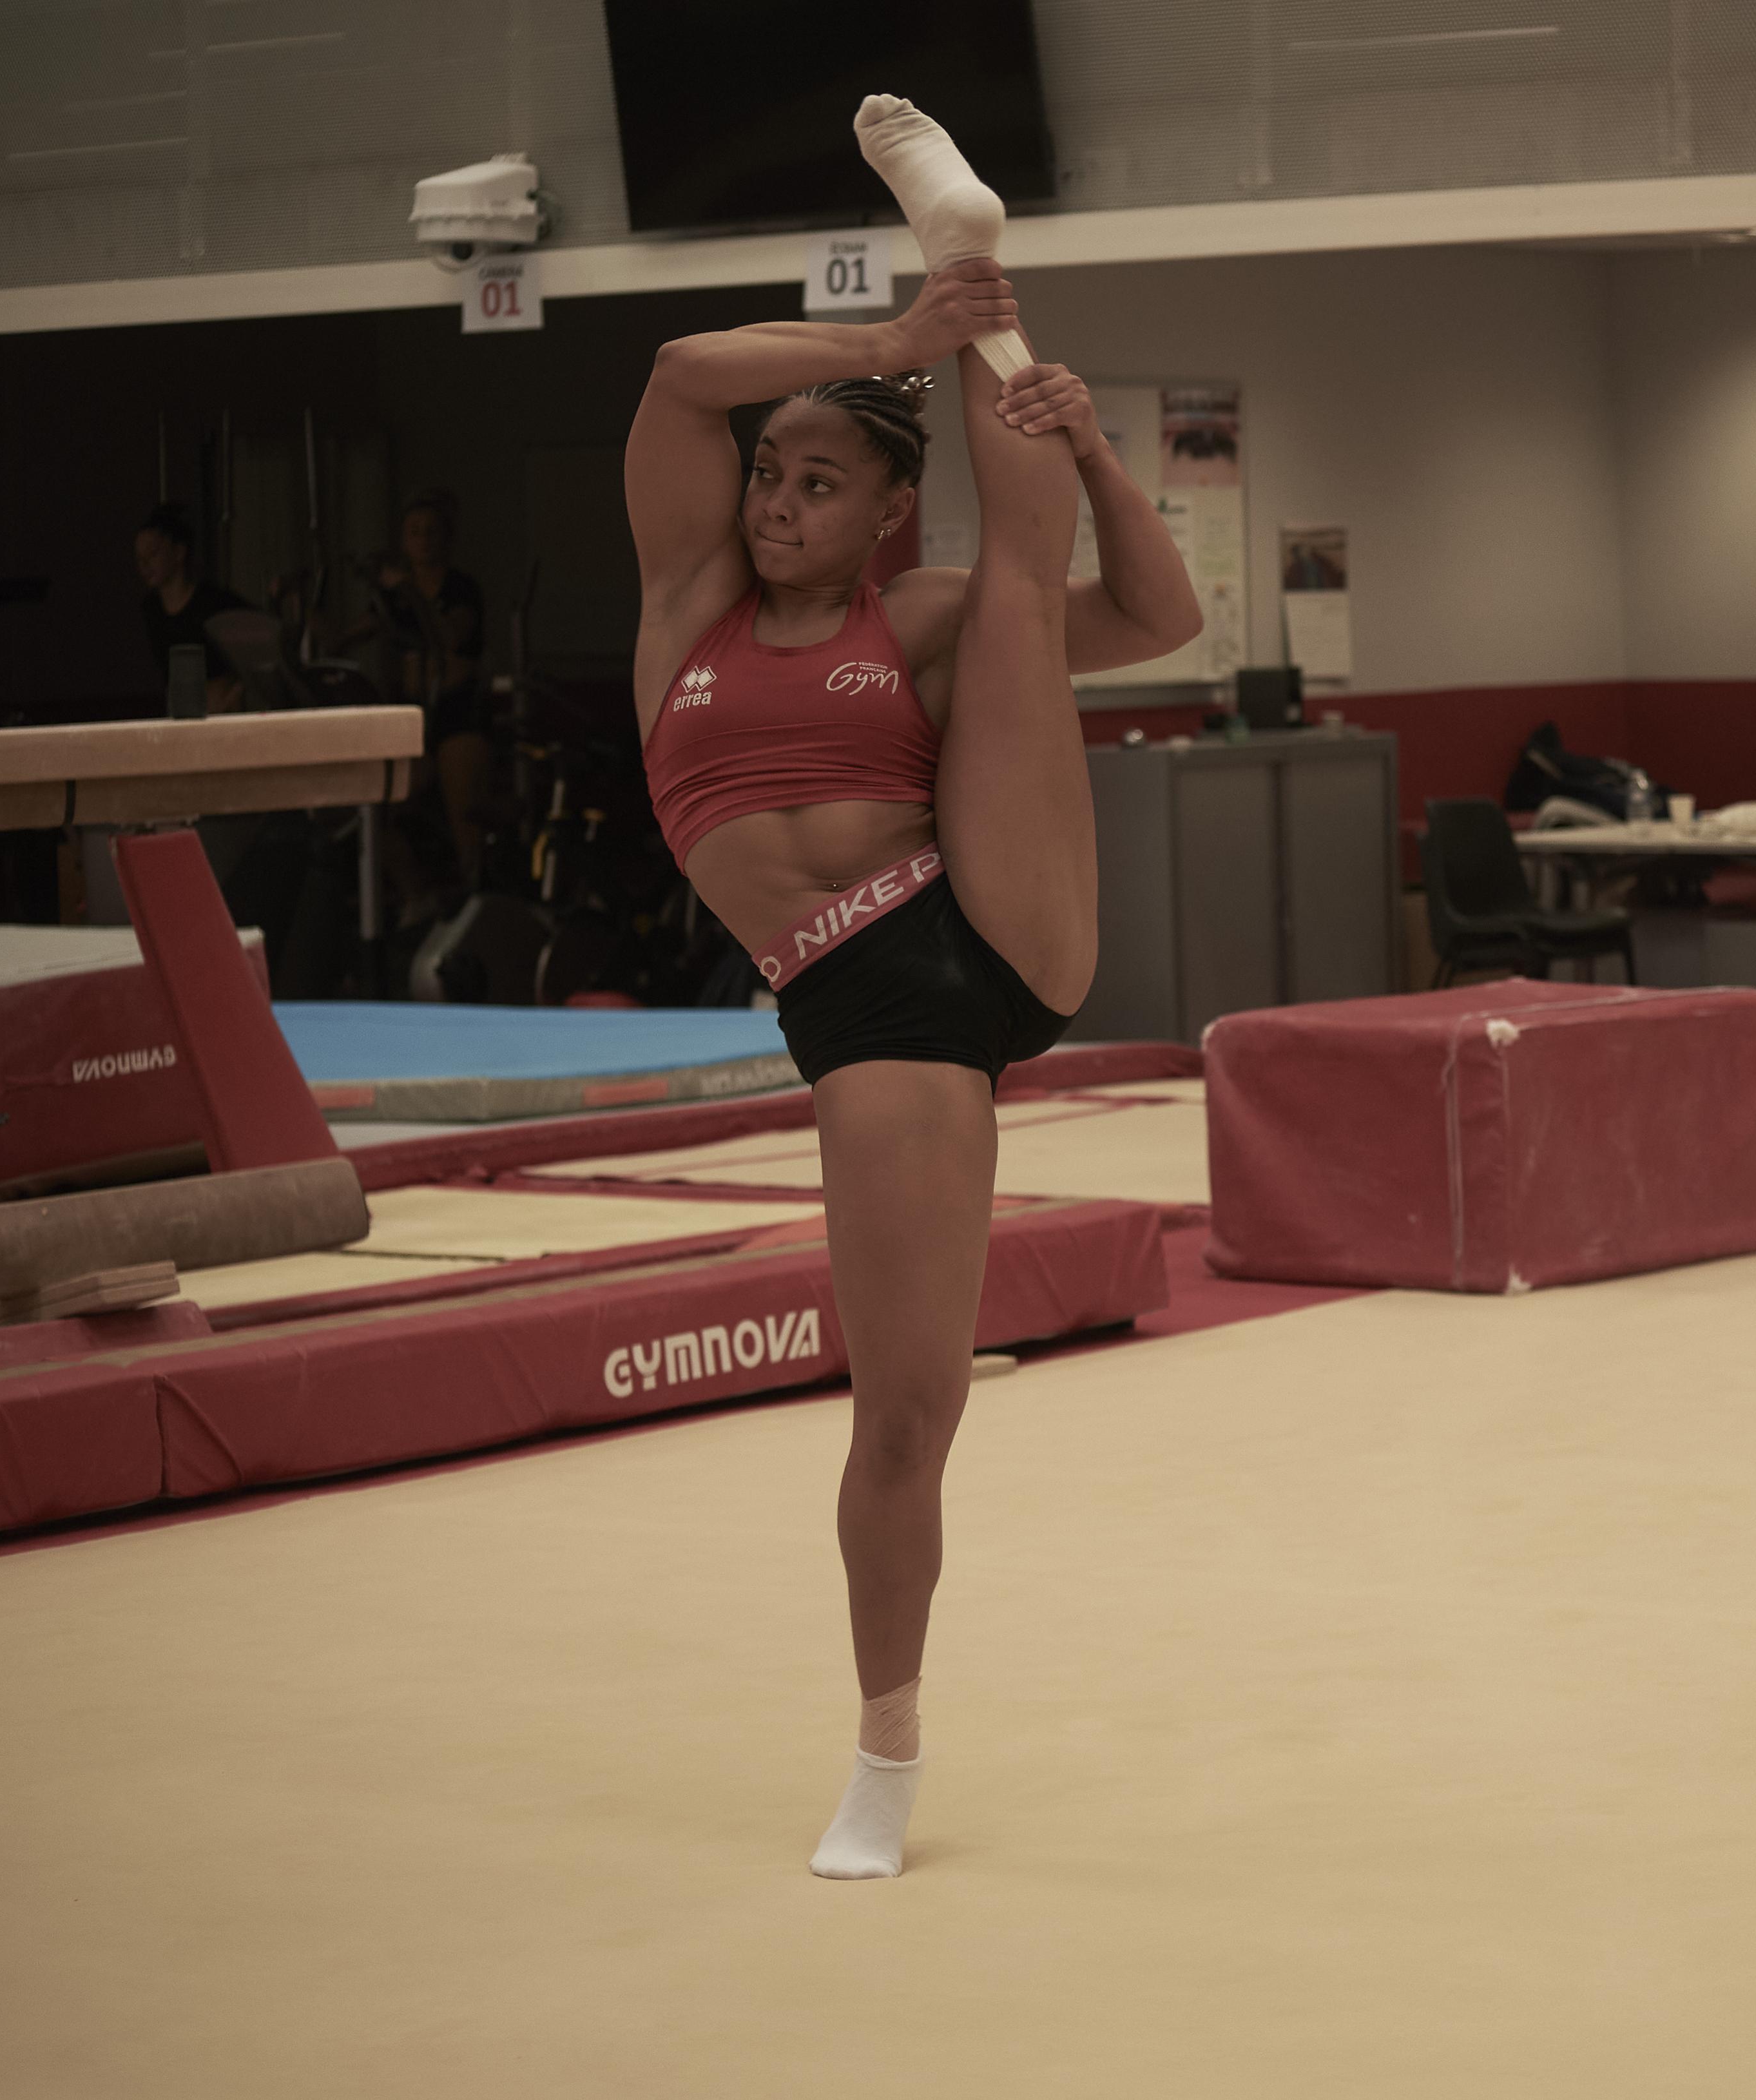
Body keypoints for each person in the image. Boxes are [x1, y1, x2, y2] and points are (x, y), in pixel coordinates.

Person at [626, 95, 1203, 1879]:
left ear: (887, 513)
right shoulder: (688, 606)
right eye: (771, 477)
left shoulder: (921, 611)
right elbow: (677, 376)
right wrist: (890, 339)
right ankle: (888, 1748)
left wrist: (1087, 449)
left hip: (984, 921)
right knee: (907, 1407)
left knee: (1019, 597)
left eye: (821, 484)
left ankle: (985, 279)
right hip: (866, 1001)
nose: (778, 503)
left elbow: (1162, 618)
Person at [343, 492, 494, 889]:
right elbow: (342, 639)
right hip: (414, 716)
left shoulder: (460, 588)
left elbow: (450, 637)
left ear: (446, 538)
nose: (423, 540)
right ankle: (418, 894)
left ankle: (474, 895)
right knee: (378, 810)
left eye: (431, 532)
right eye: (414, 532)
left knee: (466, 819)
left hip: (458, 713)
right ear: (403, 540)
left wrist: (411, 590)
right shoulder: (393, 599)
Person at [133, 504, 247, 716]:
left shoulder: (215, 604)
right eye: (140, 558)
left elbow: (254, 661)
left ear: (179, 552)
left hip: (221, 713)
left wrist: (229, 698)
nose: (145, 565)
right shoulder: (151, 611)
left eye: (153, 554)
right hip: (181, 713)